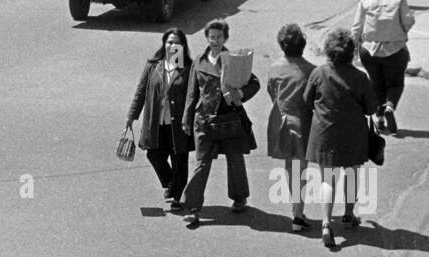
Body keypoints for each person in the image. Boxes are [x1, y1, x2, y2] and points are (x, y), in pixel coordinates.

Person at [302, 27, 380, 249]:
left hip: (325, 133)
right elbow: (370, 108)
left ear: (328, 51)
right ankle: (348, 214)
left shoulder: (319, 73)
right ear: (351, 53)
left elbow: (307, 100)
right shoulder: (360, 77)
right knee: (352, 174)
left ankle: (326, 223)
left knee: (328, 179)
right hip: (353, 134)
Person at [181, 20, 260, 229]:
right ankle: (192, 208)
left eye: (219, 37)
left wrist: (240, 94)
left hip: (229, 119)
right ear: (207, 38)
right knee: (202, 163)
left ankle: (239, 198)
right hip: (205, 121)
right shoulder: (198, 61)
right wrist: (186, 120)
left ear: (225, 38)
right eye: (211, 37)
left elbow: (255, 83)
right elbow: (192, 93)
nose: (215, 41)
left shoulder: (234, 60)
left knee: (235, 159)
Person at [125, 29, 192, 212]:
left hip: (178, 125)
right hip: (157, 123)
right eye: (169, 42)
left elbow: (193, 96)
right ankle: (172, 184)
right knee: (153, 155)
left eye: (176, 43)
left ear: (183, 46)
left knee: (179, 159)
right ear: (164, 44)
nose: (172, 46)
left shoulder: (188, 68)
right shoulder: (153, 65)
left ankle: (177, 196)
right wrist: (132, 116)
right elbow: (141, 91)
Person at [351, 0, 415, 135]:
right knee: (396, 83)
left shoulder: (365, 1)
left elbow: (357, 27)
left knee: (376, 83)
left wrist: (353, 47)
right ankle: (390, 106)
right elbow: (408, 21)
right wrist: (401, 31)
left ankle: (379, 119)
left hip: (370, 50)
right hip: (395, 48)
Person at [266, 24, 315, 232]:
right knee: (301, 169)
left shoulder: (275, 68)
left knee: (289, 167)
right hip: (302, 122)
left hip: (280, 121)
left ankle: (296, 210)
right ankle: (297, 214)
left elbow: (272, 93)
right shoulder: (311, 70)